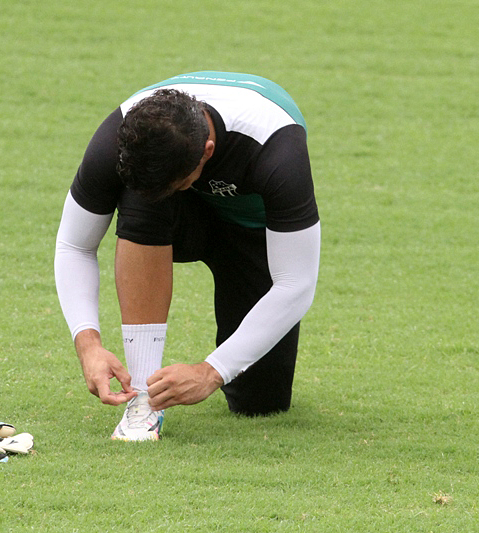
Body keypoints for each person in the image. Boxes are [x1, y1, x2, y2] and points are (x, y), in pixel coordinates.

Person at [54, 71, 321, 441]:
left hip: (252, 235)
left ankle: (241, 385)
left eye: (180, 180)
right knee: (144, 197)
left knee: (260, 401)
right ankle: (144, 404)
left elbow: (297, 282)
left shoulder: (278, 148)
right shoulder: (119, 136)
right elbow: (74, 244)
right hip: (175, 223)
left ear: (207, 152)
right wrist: (88, 344)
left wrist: (211, 371)